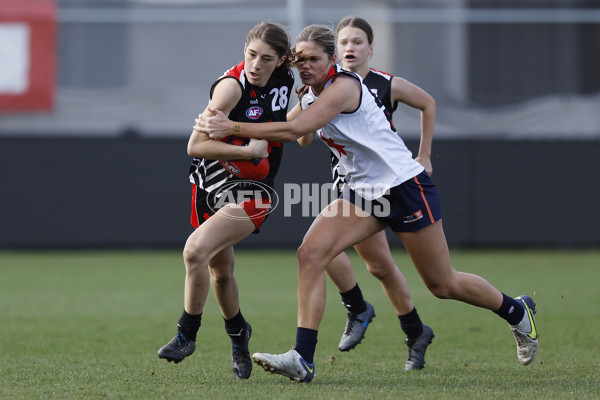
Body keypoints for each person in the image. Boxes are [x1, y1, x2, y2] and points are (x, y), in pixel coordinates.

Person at [195, 24, 538, 383]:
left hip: (403, 186)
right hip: (361, 194)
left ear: (332, 60)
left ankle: (516, 311)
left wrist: (231, 127)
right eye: (301, 59)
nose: (307, 65)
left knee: (442, 284)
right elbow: (292, 131)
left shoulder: (343, 86)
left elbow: (294, 131)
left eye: (315, 58)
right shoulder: (309, 96)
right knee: (311, 253)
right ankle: (303, 358)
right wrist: (230, 112)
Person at [293, 16, 437, 370]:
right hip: (353, 185)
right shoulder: (321, 87)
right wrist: (305, 100)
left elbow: (428, 103)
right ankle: (369, 312)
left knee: (410, 273)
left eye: (357, 41)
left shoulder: (382, 84)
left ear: (371, 48)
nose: (350, 48)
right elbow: (302, 136)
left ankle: (375, 316)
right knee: (368, 263)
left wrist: (425, 154)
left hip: (393, 181)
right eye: (344, 43)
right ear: (335, 51)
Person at [156, 21, 295, 380]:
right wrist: (249, 148)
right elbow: (195, 146)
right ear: (243, 51)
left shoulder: (287, 78)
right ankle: (238, 336)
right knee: (220, 273)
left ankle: (187, 333)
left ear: (281, 61)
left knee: (193, 251)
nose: (256, 64)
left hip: (254, 191)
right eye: (251, 55)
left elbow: (314, 60)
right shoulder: (231, 90)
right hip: (211, 184)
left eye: (266, 58)